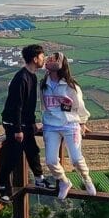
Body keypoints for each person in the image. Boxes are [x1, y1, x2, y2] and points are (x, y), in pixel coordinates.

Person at [41, 51, 96, 201]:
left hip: (70, 125)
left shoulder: (71, 86)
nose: (50, 60)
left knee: (76, 159)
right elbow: (43, 105)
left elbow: (80, 106)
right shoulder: (44, 84)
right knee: (51, 161)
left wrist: (83, 122)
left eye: (55, 59)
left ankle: (86, 178)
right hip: (50, 126)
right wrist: (43, 121)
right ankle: (64, 181)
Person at [0, 42, 49, 199]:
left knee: (32, 150)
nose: (44, 59)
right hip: (13, 123)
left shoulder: (31, 76)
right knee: (13, 155)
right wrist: (18, 129)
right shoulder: (22, 78)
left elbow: (29, 106)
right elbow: (17, 106)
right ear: (35, 59)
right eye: (42, 56)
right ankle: (2, 187)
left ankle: (39, 179)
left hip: (23, 123)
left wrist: (32, 123)